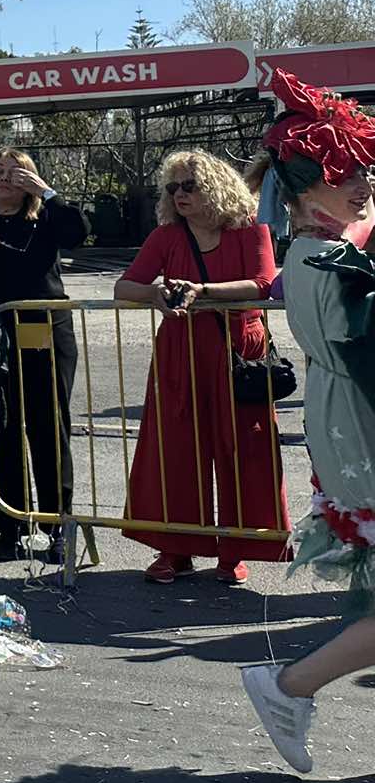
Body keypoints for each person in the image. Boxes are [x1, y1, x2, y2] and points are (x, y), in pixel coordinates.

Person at [240, 68, 375, 773]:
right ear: (301, 188)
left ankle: (289, 687)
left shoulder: (332, 250)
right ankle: (288, 685)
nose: (360, 181)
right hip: (361, 435)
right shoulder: (319, 258)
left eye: (363, 169)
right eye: (343, 170)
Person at [117, 151, 288, 585]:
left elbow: (265, 283)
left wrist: (204, 290)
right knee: (175, 449)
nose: (179, 195)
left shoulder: (251, 231)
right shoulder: (166, 236)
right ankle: (175, 549)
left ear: (214, 185)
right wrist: (155, 294)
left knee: (242, 450)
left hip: (238, 351)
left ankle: (236, 550)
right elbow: (125, 285)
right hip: (181, 350)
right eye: (172, 188)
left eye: (188, 186)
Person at [0, 147, 88, 563]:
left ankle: (57, 524)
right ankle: (9, 524)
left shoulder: (45, 218)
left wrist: (47, 192)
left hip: (43, 331)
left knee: (47, 426)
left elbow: (77, 232)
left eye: (16, 172)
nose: (5, 178)